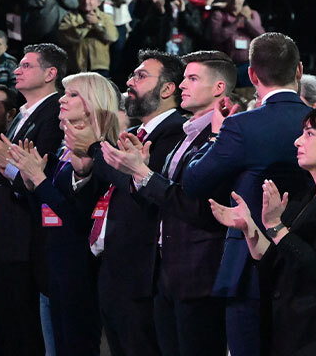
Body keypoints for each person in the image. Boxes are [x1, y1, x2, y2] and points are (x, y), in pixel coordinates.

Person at [99, 50, 238, 356]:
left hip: (198, 275)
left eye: (192, 79)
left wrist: (142, 173)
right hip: (167, 275)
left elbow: (200, 208)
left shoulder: (224, 135)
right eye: (184, 77)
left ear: (218, 88)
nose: (182, 85)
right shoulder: (186, 134)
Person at [183, 32, 314, 356]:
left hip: (248, 269)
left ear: (252, 75)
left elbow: (194, 181)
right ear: (299, 70)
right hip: (309, 259)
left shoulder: (241, 126)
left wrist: (216, 135)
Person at [209, 107, 316, 356]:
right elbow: (278, 260)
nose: (297, 141)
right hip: (292, 330)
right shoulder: (307, 195)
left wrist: (276, 226)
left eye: (309, 134)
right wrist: (249, 226)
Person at [64, 50, 188, 356]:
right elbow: (103, 193)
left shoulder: (179, 134)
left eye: (141, 76)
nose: (130, 81)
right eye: (132, 74)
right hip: (111, 268)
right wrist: (82, 172)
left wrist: (95, 150)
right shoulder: (130, 134)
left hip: (144, 274)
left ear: (167, 89)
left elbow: (146, 190)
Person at [0, 43, 67, 356]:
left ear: (50, 73)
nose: (17, 70)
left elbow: (39, 174)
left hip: (28, 239)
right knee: (11, 334)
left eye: (26, 65)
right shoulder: (24, 116)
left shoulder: (52, 113)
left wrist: (1, 158)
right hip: (6, 241)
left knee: (28, 334)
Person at [7, 72, 117, 356]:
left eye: (72, 95)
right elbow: (48, 213)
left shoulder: (104, 151)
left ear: (93, 102)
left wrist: (40, 180)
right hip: (54, 265)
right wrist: (32, 184)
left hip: (81, 271)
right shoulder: (65, 149)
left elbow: (80, 222)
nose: (62, 100)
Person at [57, 0, 119, 75]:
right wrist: (84, 26)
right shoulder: (69, 17)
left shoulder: (106, 18)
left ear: (98, 2)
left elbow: (112, 37)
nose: (86, 1)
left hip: (99, 67)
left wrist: (97, 24)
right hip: (76, 68)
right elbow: (63, 37)